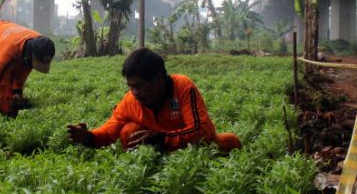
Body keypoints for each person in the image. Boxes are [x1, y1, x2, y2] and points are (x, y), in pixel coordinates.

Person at [66, 48, 242, 153]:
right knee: (128, 130)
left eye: (140, 86)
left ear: (158, 79)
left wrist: (162, 138)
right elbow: (108, 132)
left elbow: (202, 131)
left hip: (188, 148)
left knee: (230, 141)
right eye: (130, 86)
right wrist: (87, 137)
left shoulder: (182, 86)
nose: (135, 92)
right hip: (155, 152)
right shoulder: (130, 100)